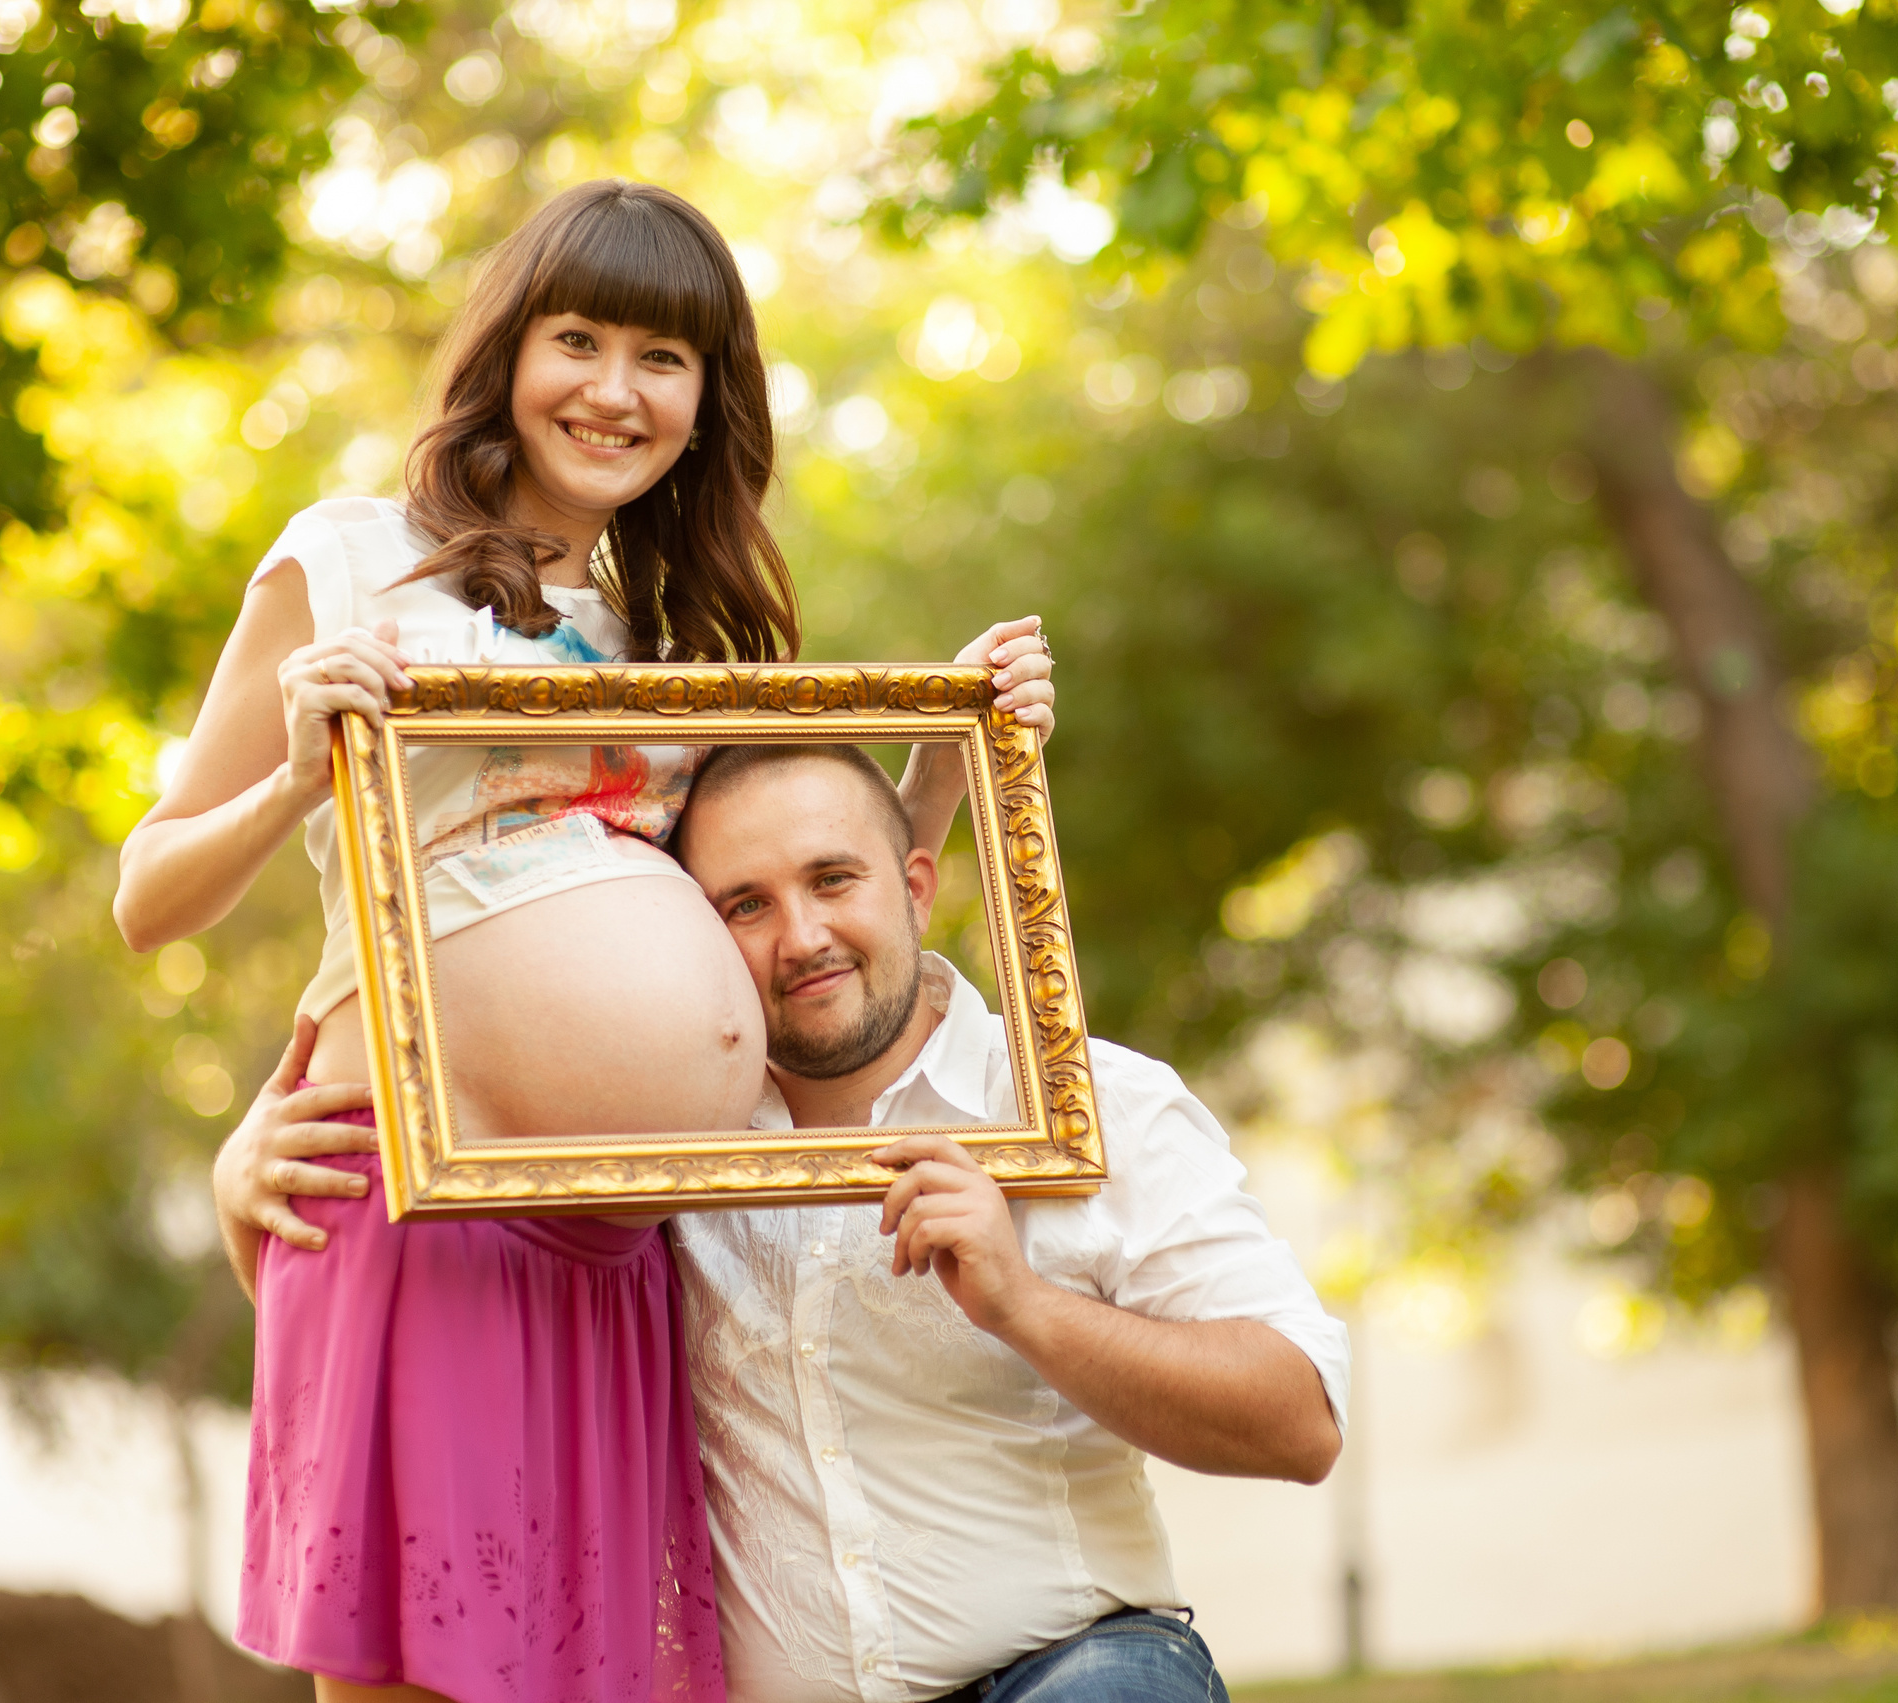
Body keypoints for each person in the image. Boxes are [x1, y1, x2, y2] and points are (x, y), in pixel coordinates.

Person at [114, 180, 1052, 1703]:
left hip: (621, 1248)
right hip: (427, 1209)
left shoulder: (663, 634)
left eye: (663, 359)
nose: (615, 391)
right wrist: (301, 772)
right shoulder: (352, 560)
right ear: (509, 352)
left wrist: (962, 746)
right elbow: (149, 895)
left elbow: (794, 913)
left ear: (707, 400)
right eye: (580, 340)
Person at [218, 744, 1347, 1703]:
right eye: (743, 904)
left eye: (832, 878)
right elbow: (439, 1336)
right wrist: (255, 1200)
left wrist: (1024, 1303)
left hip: (1068, 1671)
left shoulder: (1086, 1100)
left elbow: (1297, 1423)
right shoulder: (642, 1157)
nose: (800, 935)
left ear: (916, 883)